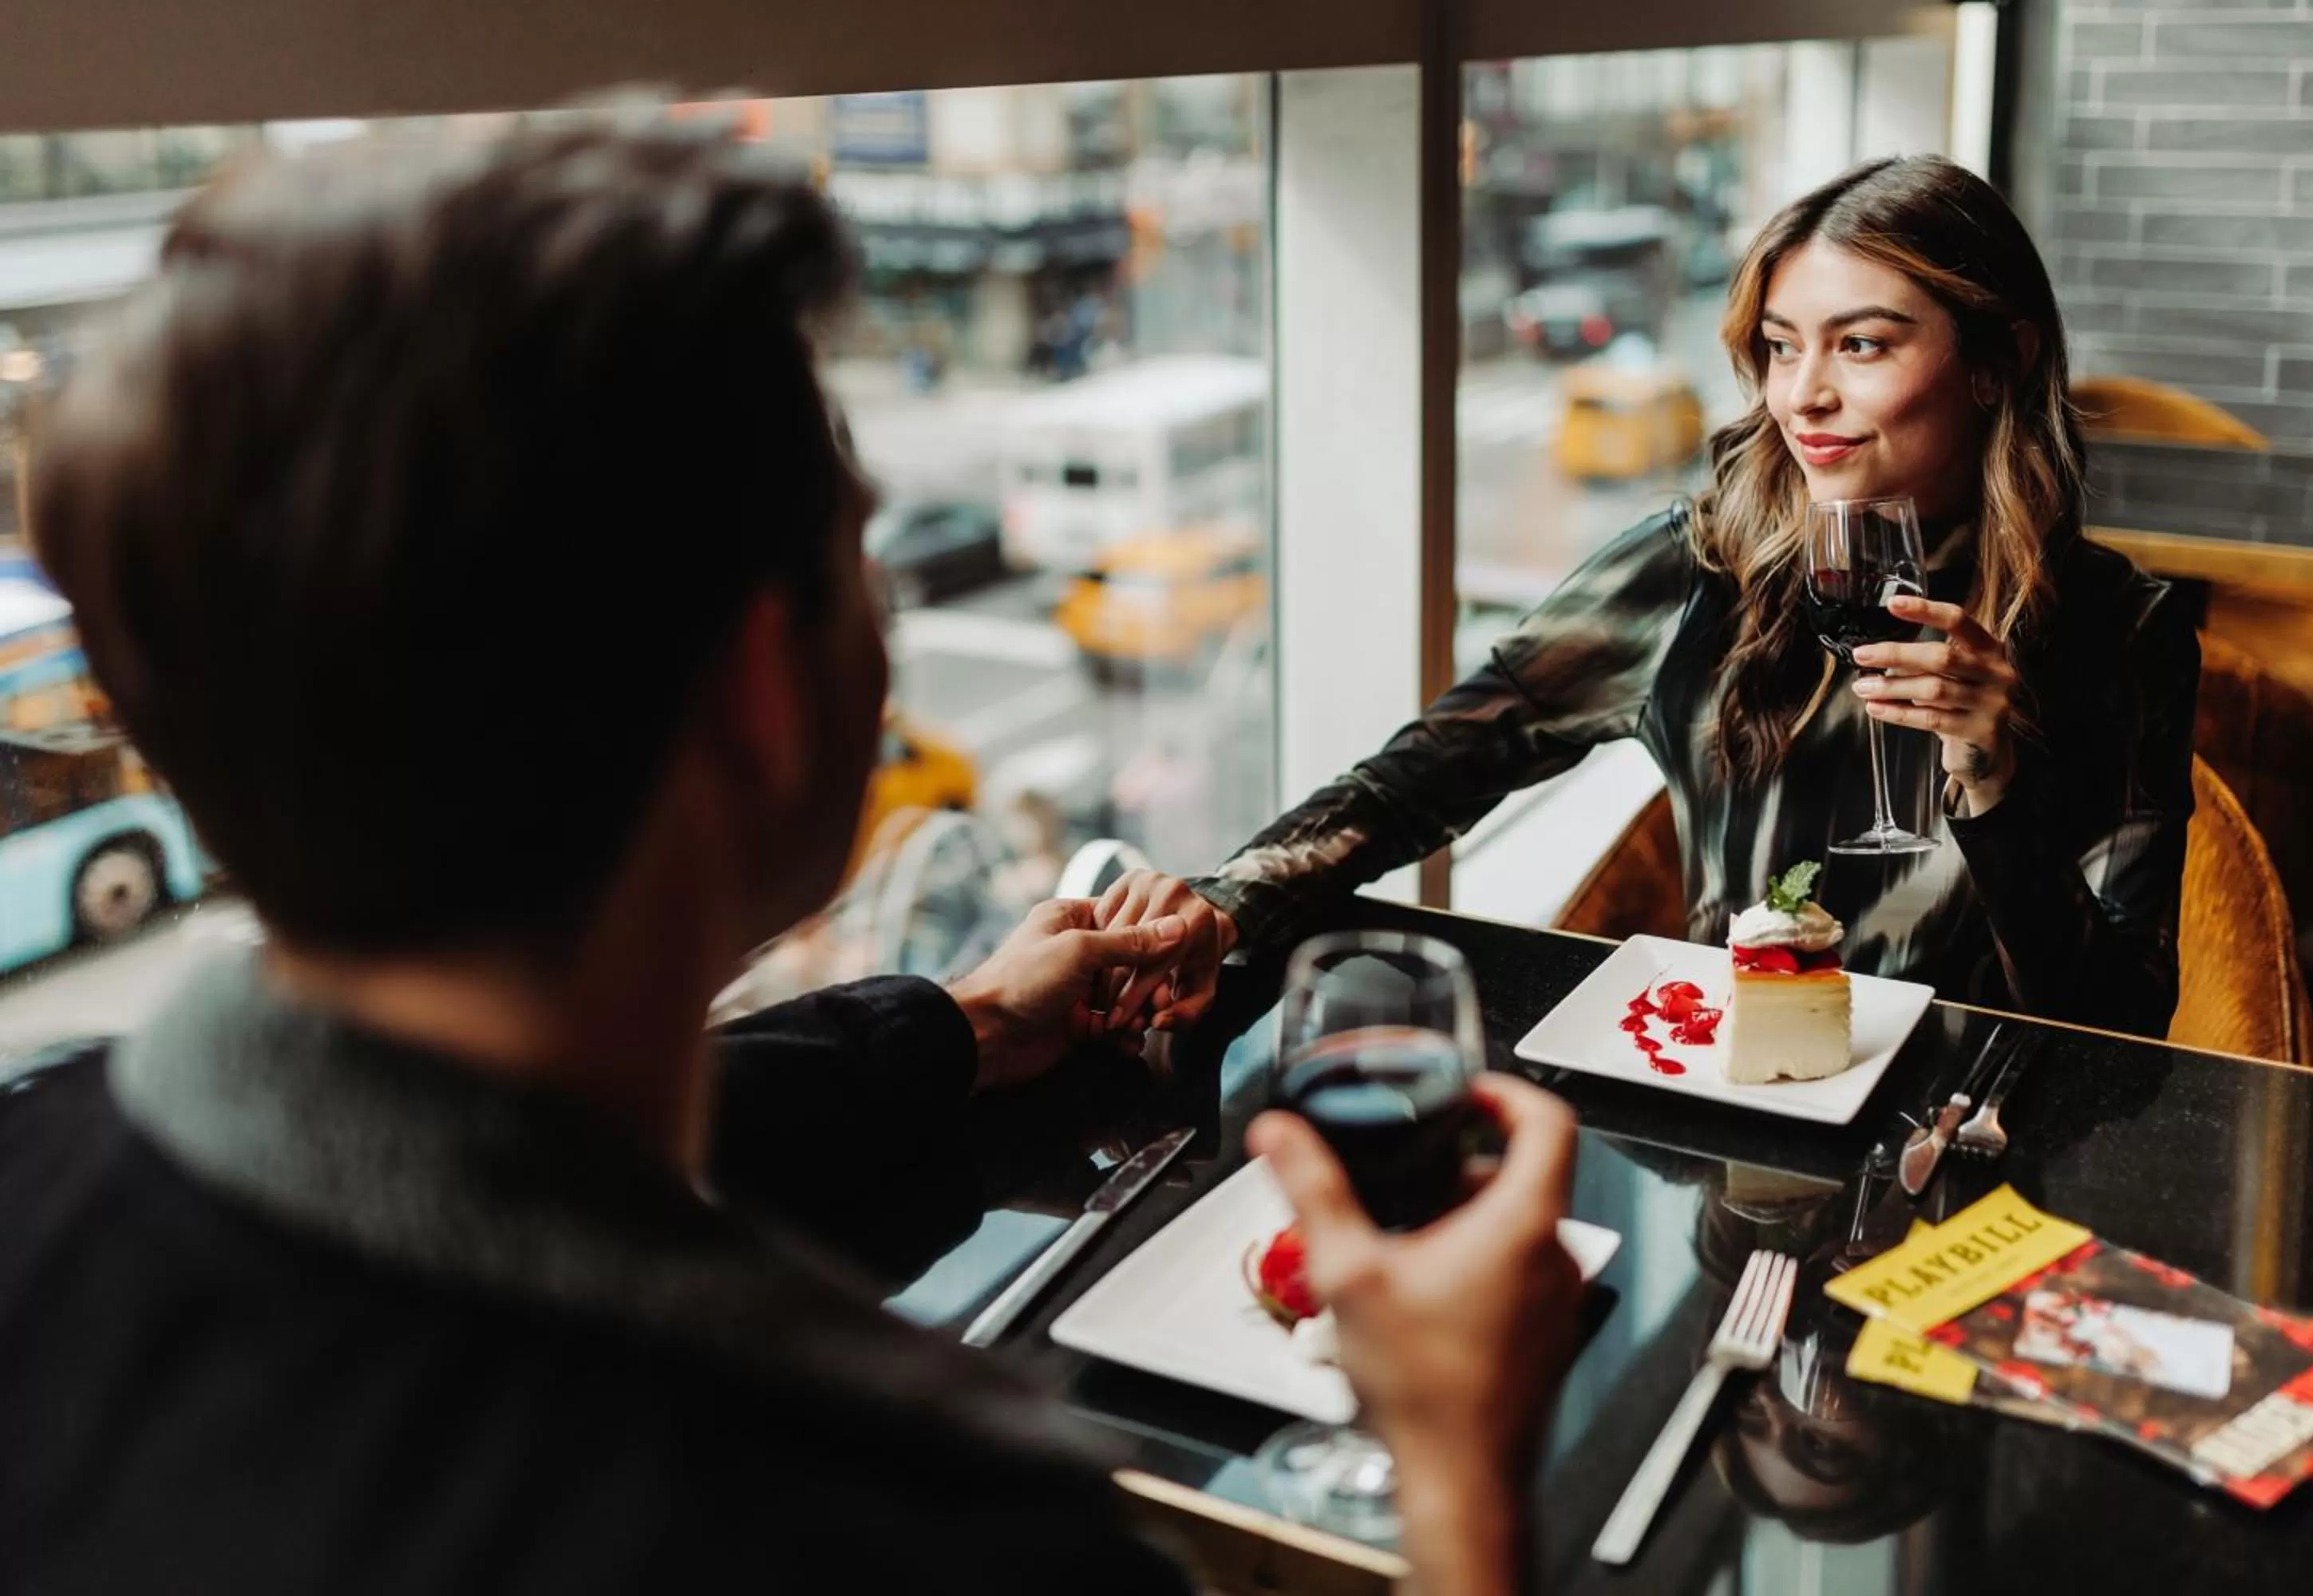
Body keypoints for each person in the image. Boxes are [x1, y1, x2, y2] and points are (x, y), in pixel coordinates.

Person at [0, 118, 1583, 1595]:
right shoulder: (914, 1522)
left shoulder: (43, 1166)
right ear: (764, 692)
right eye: (857, 553)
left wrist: (955, 1030)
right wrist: (1456, 1474)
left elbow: (497, 1164)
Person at [1100, 155, 2200, 1041]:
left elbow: (2119, 1028)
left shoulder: (2124, 633)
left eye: (1861, 345)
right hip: (1736, 1125)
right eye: (1779, 348)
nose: (1801, 396)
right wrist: (1226, 901)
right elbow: (1425, 773)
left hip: (1979, 1168)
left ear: (1996, 361)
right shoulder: (1698, 569)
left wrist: (1993, 783)